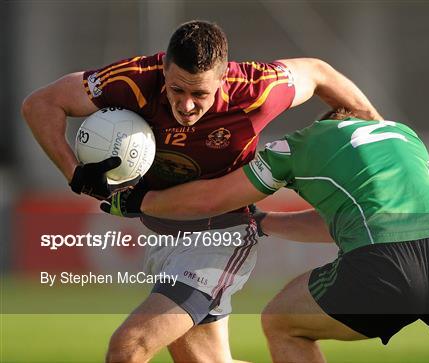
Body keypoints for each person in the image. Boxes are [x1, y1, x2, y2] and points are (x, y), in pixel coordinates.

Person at [21, 21, 382, 363]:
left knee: (128, 348)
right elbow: (40, 104)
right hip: (164, 232)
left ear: (223, 79)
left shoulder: (258, 88)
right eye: (177, 89)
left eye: (200, 94)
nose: (187, 105)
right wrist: (75, 173)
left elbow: (318, 71)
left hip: (220, 234)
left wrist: (377, 127)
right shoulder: (134, 79)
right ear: (164, 71)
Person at [103, 108, 429, 363]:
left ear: (329, 120)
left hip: (385, 261)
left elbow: (215, 196)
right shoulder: (405, 136)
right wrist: (263, 223)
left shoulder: (300, 143)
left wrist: (142, 202)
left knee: (282, 323)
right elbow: (343, 221)